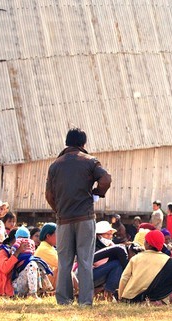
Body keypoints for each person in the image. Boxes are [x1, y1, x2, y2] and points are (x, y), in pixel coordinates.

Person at [45, 128, 112, 306]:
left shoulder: (55, 165)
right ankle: (85, 301)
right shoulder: (90, 161)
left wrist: (58, 211)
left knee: (64, 261)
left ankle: (64, 300)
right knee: (84, 260)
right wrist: (98, 192)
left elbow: (49, 196)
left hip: (64, 219)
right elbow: (106, 178)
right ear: (83, 144)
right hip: (85, 217)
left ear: (67, 143)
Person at [118, 230, 172, 303]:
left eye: (145, 241)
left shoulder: (136, 258)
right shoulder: (169, 261)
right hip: (154, 298)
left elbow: (124, 278)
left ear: (148, 244)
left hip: (131, 298)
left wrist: (121, 297)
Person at [0, 228, 27, 297]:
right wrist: (17, 252)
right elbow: (5, 269)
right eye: (22, 239)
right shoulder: (3, 251)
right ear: (15, 239)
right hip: (6, 287)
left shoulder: (25, 250)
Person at [34, 223, 59, 289]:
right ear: (48, 236)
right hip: (44, 283)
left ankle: (78, 289)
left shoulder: (49, 247)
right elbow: (61, 264)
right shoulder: (44, 248)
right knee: (63, 268)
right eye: (57, 234)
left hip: (47, 280)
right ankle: (78, 289)